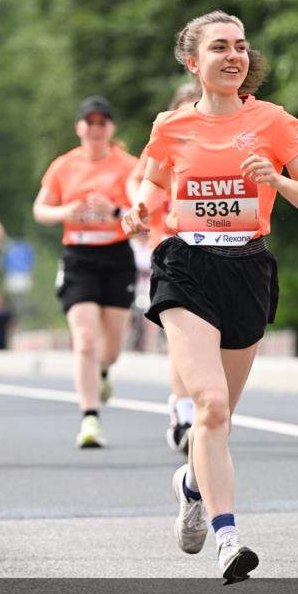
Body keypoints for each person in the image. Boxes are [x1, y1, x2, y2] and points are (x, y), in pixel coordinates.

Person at [122, 10, 298, 583]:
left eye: (240, 46)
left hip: (247, 267)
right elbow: (154, 181)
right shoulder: (171, 125)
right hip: (186, 265)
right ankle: (228, 539)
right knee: (209, 406)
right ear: (194, 61)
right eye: (220, 47)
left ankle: (191, 484)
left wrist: (276, 180)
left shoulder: (274, 121)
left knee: (223, 417)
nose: (234, 55)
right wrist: (140, 208)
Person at [33, 96, 137, 448]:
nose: (95, 129)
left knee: (112, 348)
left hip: (117, 256)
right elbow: (40, 210)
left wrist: (114, 210)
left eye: (101, 122)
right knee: (86, 340)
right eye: (89, 122)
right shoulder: (64, 166)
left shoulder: (128, 166)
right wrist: (66, 212)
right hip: (79, 257)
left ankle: (103, 371)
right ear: (79, 127)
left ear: (111, 127)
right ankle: (90, 418)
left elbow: (143, 215)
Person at [126, 82, 201, 453]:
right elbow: (138, 179)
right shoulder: (166, 137)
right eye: (184, 108)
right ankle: (184, 412)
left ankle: (203, 408)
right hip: (170, 246)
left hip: (214, 247)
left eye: (197, 106)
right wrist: (140, 206)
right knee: (181, 337)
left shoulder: (221, 139)